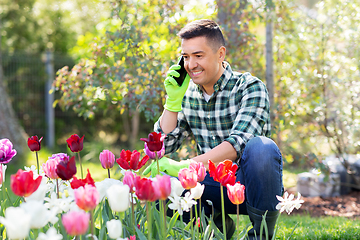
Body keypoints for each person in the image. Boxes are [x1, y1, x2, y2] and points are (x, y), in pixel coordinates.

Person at [146, 19, 283, 240]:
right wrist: (172, 103)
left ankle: (261, 235)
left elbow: (238, 143)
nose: (191, 65)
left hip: (250, 187)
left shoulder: (249, 87)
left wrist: (184, 166)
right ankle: (217, 229)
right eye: (186, 57)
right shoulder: (187, 95)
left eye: (198, 56)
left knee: (262, 147)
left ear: (220, 54)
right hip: (210, 186)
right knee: (157, 180)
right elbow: (162, 147)